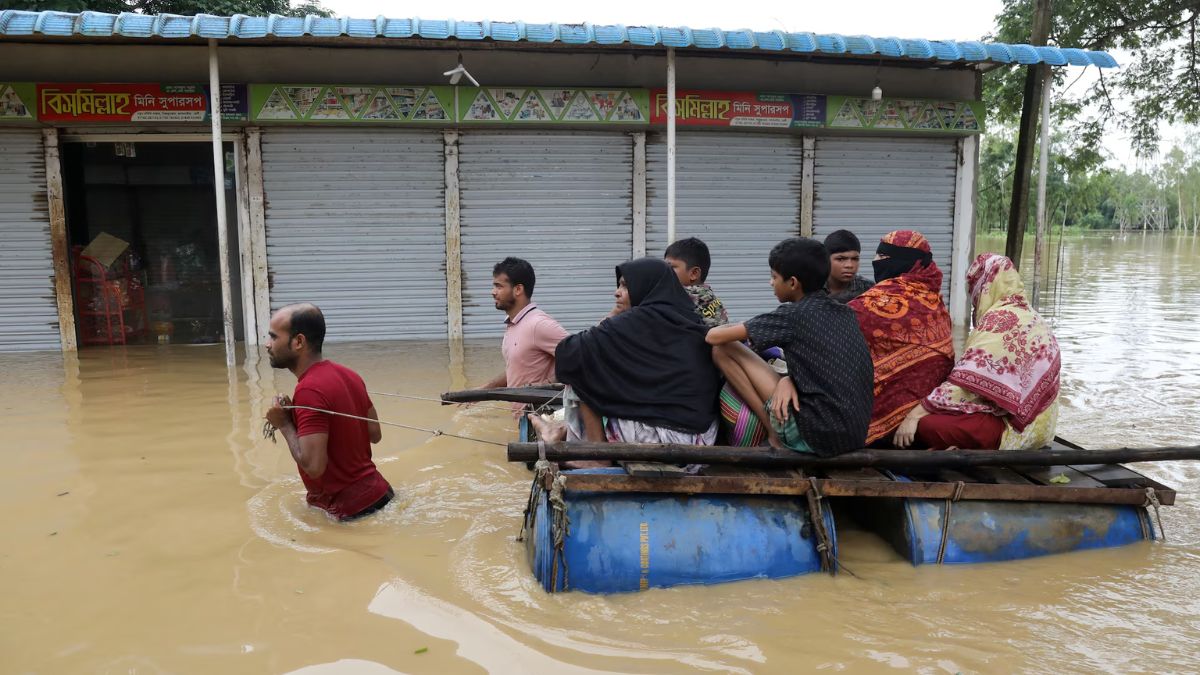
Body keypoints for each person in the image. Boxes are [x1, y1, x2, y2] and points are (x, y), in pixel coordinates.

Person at [707, 238, 873, 455]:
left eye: (774, 277)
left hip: (815, 436)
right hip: (854, 435)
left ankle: (773, 432)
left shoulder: (792, 315)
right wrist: (787, 379)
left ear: (793, 283)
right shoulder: (846, 313)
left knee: (723, 350)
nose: (771, 283)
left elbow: (714, 336)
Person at [893, 253, 1061, 450]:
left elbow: (965, 386)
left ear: (985, 284)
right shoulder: (1034, 317)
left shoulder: (998, 321)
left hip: (1012, 431)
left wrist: (915, 414)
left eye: (973, 285)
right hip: (1042, 432)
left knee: (927, 425)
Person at [553, 257, 721, 445]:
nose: (617, 293)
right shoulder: (689, 318)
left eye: (625, 286)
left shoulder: (636, 321)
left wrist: (613, 314)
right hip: (701, 439)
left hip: (660, 442)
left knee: (581, 364)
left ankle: (595, 451)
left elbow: (567, 352)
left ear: (645, 287)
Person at [264, 303, 393, 521]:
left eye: (273, 337)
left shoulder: (308, 390)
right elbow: (375, 434)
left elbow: (314, 467)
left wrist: (284, 424)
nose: (267, 345)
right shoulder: (349, 374)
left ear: (298, 342)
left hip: (351, 513)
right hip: (383, 495)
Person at [848, 230, 955, 446]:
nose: (874, 261)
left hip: (879, 422)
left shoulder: (871, 304)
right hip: (925, 412)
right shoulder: (934, 301)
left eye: (882, 257)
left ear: (900, 261)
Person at [478, 257, 568, 391]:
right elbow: (517, 370)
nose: (493, 292)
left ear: (518, 289)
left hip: (540, 412)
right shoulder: (514, 324)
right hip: (521, 412)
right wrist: (483, 390)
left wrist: (549, 384)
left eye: (499, 286)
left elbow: (582, 358)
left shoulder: (539, 324)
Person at [664, 237, 729, 328]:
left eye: (671, 267)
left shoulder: (685, 295)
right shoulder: (706, 292)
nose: (664, 271)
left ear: (694, 273)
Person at [823, 229, 874, 303]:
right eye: (841, 259)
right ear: (826, 259)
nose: (849, 265)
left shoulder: (869, 290)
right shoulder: (811, 287)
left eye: (855, 259)